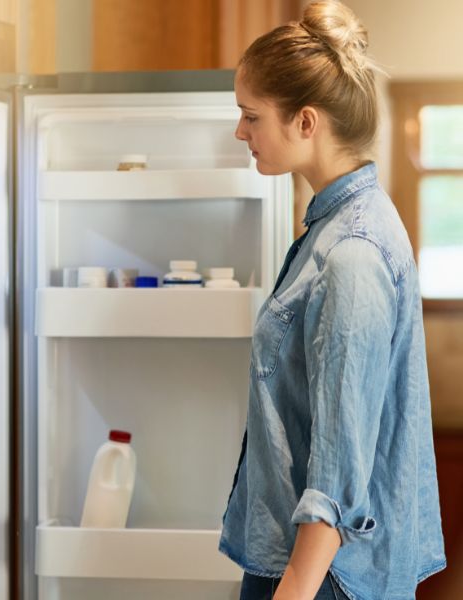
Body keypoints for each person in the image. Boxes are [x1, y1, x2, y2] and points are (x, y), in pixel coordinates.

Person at [218, 2, 446, 599]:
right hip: (314, 569)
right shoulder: (337, 226)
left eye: (251, 116)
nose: (241, 132)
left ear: (306, 122)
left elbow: (336, 483)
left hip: (322, 579)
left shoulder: (352, 255)